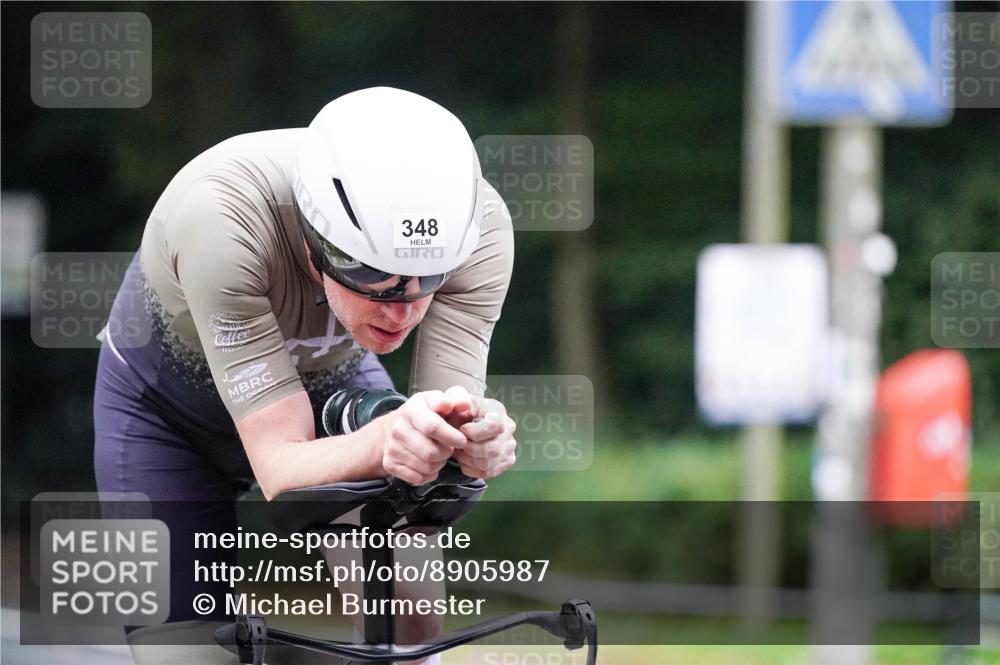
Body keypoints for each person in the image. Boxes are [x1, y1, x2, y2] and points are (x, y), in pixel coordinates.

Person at [93, 87, 516, 664]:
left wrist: (471, 442)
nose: (403, 311)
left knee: (411, 616)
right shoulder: (221, 218)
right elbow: (282, 467)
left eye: (429, 279)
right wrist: (386, 441)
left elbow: (445, 420)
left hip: (329, 387)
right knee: (189, 655)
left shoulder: (482, 228)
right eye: (378, 279)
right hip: (165, 416)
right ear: (315, 251)